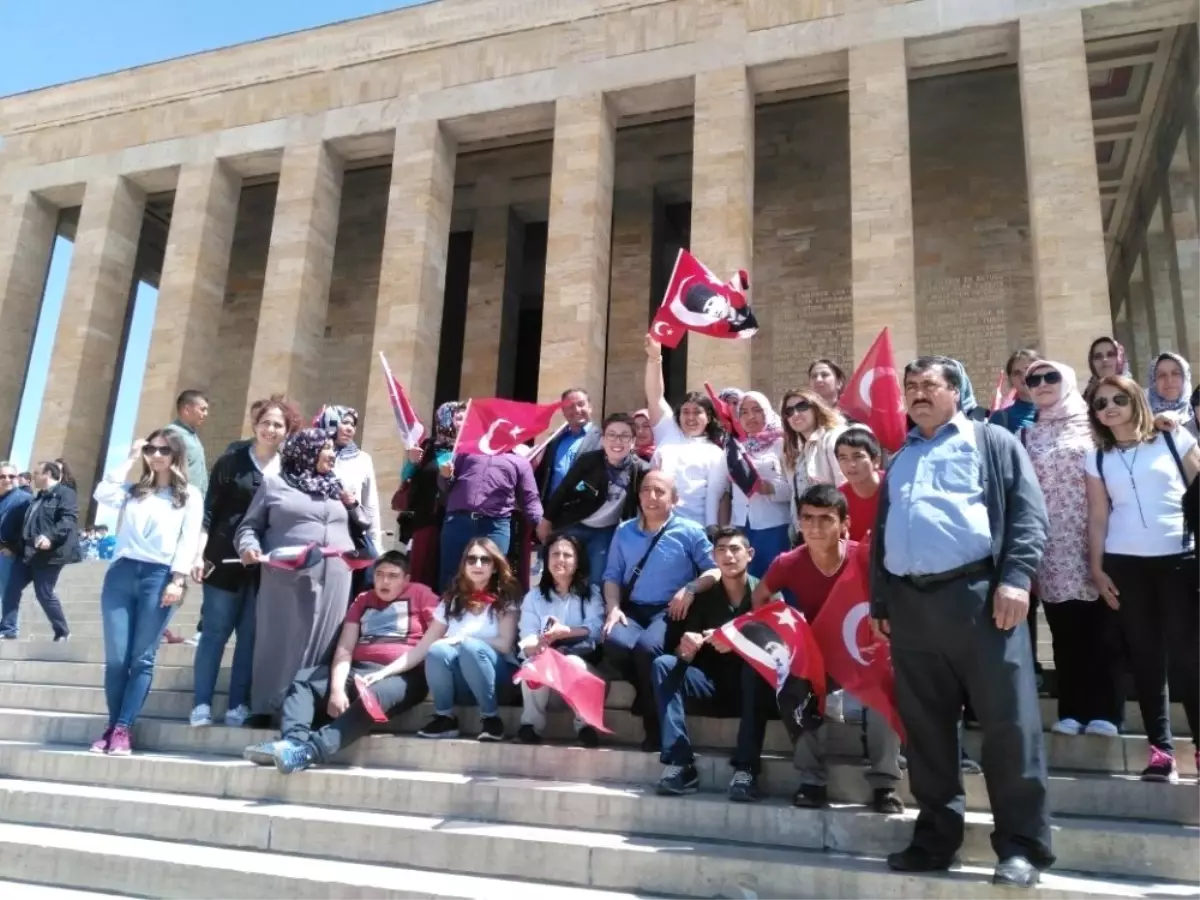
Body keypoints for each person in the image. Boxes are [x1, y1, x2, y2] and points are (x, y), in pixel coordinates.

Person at [871, 355, 1051, 888]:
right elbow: (884, 535)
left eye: (929, 385)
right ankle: (935, 837)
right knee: (925, 731)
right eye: (911, 387)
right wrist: (882, 602)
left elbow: (1026, 512)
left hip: (979, 599)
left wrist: (1016, 578)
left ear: (955, 391)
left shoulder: (990, 440)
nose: (917, 394)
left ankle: (1021, 846)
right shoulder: (901, 457)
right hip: (911, 608)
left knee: (1008, 726)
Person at [743, 485, 904, 812]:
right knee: (793, 687)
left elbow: (895, 602)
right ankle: (811, 782)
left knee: (888, 693)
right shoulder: (789, 562)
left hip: (863, 655)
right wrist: (787, 628)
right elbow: (759, 599)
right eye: (808, 519)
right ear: (799, 523)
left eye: (825, 519)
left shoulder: (863, 556)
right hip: (820, 656)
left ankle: (885, 785)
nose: (815, 527)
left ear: (844, 523)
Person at [1085, 374, 1200, 784]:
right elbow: (1099, 516)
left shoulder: (1174, 439)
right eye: (1100, 403)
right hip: (1125, 565)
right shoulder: (1096, 457)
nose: (1110, 407)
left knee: (1190, 660)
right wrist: (1097, 569)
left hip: (1179, 559)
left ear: (1135, 399)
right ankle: (1160, 752)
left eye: (1118, 398)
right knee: (1146, 659)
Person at [242, 550, 439, 774]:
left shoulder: (421, 594)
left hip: (404, 675)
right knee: (305, 680)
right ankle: (292, 742)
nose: (384, 581)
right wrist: (337, 689)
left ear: (406, 579)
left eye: (393, 575)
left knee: (371, 698)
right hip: (358, 671)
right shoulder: (363, 600)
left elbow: (442, 631)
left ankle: (310, 751)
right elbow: (345, 648)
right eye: (379, 574)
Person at [235, 429, 370, 721]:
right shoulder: (274, 484)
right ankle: (267, 706)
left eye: (333, 449)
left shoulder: (336, 486)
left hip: (335, 574)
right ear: (305, 450)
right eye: (326, 448)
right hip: (286, 575)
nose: (333, 454)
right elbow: (248, 527)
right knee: (280, 638)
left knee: (325, 640)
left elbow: (363, 524)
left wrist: (351, 503)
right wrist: (249, 547)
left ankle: (312, 707)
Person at [1020, 361, 1121, 738]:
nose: (1042, 384)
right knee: (1065, 632)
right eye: (1034, 379)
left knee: (1101, 629)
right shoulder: (1029, 433)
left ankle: (1106, 712)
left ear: (1068, 381)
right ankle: (1072, 710)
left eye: (1051, 377)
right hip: (1052, 547)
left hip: (1096, 539)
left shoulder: (1094, 426)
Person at [190, 396, 301, 729]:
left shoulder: (290, 468)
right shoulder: (232, 461)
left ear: (287, 431)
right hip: (223, 560)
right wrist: (197, 553)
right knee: (215, 633)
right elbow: (209, 511)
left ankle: (238, 704)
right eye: (266, 422)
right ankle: (202, 704)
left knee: (251, 637)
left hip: (265, 566)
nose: (271, 429)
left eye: (278, 425)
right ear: (255, 424)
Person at [90, 432, 204, 755]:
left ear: (175, 455)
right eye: (151, 449)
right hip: (121, 574)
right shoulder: (133, 491)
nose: (156, 455)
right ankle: (112, 725)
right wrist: (130, 455)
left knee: (142, 658)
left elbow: (189, 538)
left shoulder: (189, 495)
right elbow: (102, 492)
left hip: (159, 576)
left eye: (163, 450)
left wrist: (178, 580)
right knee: (116, 660)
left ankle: (123, 729)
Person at [602, 470, 718, 749]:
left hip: (669, 612)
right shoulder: (624, 531)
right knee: (613, 640)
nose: (651, 497)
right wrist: (613, 608)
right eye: (646, 490)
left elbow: (714, 571)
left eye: (659, 491)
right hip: (633, 609)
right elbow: (612, 575)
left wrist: (690, 589)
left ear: (674, 499)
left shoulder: (690, 531)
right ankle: (646, 692)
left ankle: (653, 725)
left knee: (646, 649)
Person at [652, 526, 757, 795]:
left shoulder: (764, 594)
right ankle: (680, 763)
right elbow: (682, 654)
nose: (729, 556)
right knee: (663, 664)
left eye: (735, 549)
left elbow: (778, 651)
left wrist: (736, 641)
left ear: (750, 554)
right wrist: (685, 648)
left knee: (754, 673)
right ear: (713, 556)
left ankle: (746, 769)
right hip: (710, 685)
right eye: (721, 550)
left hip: (752, 691)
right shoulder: (704, 598)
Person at [416, 538, 521, 741]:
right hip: (462, 683)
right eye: (471, 559)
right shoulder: (452, 600)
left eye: (485, 560)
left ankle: (491, 719)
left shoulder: (506, 599)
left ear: (495, 567)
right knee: (437, 650)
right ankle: (444, 717)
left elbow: (504, 644)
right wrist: (384, 672)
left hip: (497, 681)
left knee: (471, 648)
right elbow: (423, 647)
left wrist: (462, 638)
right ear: (464, 565)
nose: (477, 565)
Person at [538, 413, 649, 586]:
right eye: (611, 435)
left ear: (633, 442)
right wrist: (546, 520)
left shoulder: (640, 469)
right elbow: (563, 490)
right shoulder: (589, 461)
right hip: (575, 522)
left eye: (624, 436)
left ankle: (593, 611)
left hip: (605, 531)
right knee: (560, 574)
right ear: (603, 439)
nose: (617, 441)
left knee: (597, 579)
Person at [516, 532, 604, 746]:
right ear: (546, 560)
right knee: (532, 664)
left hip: (581, 666)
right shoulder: (534, 597)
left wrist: (566, 631)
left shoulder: (590, 594)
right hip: (546, 668)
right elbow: (525, 638)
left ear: (577, 561)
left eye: (567, 555)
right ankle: (530, 725)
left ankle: (584, 726)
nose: (560, 559)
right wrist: (538, 645)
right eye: (555, 554)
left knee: (571, 662)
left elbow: (597, 629)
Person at [643, 335, 727, 526]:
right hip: (658, 525)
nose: (690, 418)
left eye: (697, 412)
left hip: (695, 528)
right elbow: (655, 397)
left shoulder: (716, 453)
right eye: (685, 412)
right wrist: (655, 358)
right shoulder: (668, 431)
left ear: (709, 417)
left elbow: (715, 496)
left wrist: (711, 532)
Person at [438, 446, 542, 592]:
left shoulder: (520, 462)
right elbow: (445, 486)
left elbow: (530, 498)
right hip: (458, 523)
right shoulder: (465, 452)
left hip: (495, 527)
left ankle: (490, 613)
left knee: (493, 577)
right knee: (451, 576)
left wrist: (540, 522)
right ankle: (449, 612)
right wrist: (445, 476)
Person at [0, 459, 79, 641]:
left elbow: (68, 520)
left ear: (48, 474)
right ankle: (7, 628)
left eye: (36, 473)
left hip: (50, 556)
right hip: (30, 553)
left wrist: (50, 536)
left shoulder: (65, 494)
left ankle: (62, 630)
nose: (31, 477)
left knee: (44, 593)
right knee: (12, 588)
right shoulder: (38, 498)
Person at [398, 401, 465, 589]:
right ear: (445, 420)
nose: (465, 422)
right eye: (459, 418)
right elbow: (406, 477)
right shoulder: (428, 447)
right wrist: (412, 462)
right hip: (428, 520)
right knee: (424, 574)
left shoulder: (470, 450)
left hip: (457, 522)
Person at [728, 392, 791, 577]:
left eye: (757, 410)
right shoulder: (735, 446)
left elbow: (793, 490)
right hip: (740, 525)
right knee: (746, 582)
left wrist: (765, 487)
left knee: (774, 581)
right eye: (744, 412)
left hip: (773, 527)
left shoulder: (782, 444)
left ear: (768, 413)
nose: (751, 417)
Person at [314, 405, 383, 554]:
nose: (350, 429)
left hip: (350, 538)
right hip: (317, 537)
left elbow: (370, 504)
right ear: (330, 423)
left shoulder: (363, 459)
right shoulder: (312, 456)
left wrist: (376, 544)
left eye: (353, 424)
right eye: (344, 422)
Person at [780, 388, 846, 525]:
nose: (795, 414)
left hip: (831, 527)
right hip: (807, 530)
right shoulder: (801, 450)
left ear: (816, 408)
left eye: (802, 407)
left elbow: (844, 485)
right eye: (789, 411)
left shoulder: (833, 438)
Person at [536, 389, 601, 499]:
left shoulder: (603, 438)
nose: (576, 410)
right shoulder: (554, 440)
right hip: (550, 511)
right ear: (563, 411)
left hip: (584, 510)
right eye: (570, 406)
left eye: (581, 404)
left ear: (590, 407)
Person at [836, 428, 883, 543]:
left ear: (876, 460)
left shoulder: (896, 486)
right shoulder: (838, 499)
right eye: (843, 458)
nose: (851, 464)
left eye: (858, 457)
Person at [164, 389, 210, 496]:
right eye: (202, 409)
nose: (206, 414)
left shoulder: (191, 434)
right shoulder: (172, 434)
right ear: (187, 409)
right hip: (178, 502)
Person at [0, 461, 32, 608]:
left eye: (11, 476)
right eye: (2, 476)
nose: (7, 479)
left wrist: (14, 548)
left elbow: (31, 528)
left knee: (8, 594)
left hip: (7, 555)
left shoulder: (25, 499)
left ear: (17, 478)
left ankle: (9, 629)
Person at [989, 349, 1042, 434]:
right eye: (1017, 373)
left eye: (1029, 370)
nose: (1024, 377)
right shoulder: (1002, 418)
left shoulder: (1061, 412)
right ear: (1010, 379)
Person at [1146, 352, 1194, 430]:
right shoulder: (1141, 421)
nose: (1169, 380)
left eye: (1176, 373)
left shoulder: (1196, 413)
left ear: (1186, 378)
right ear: (1153, 381)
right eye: (1161, 375)